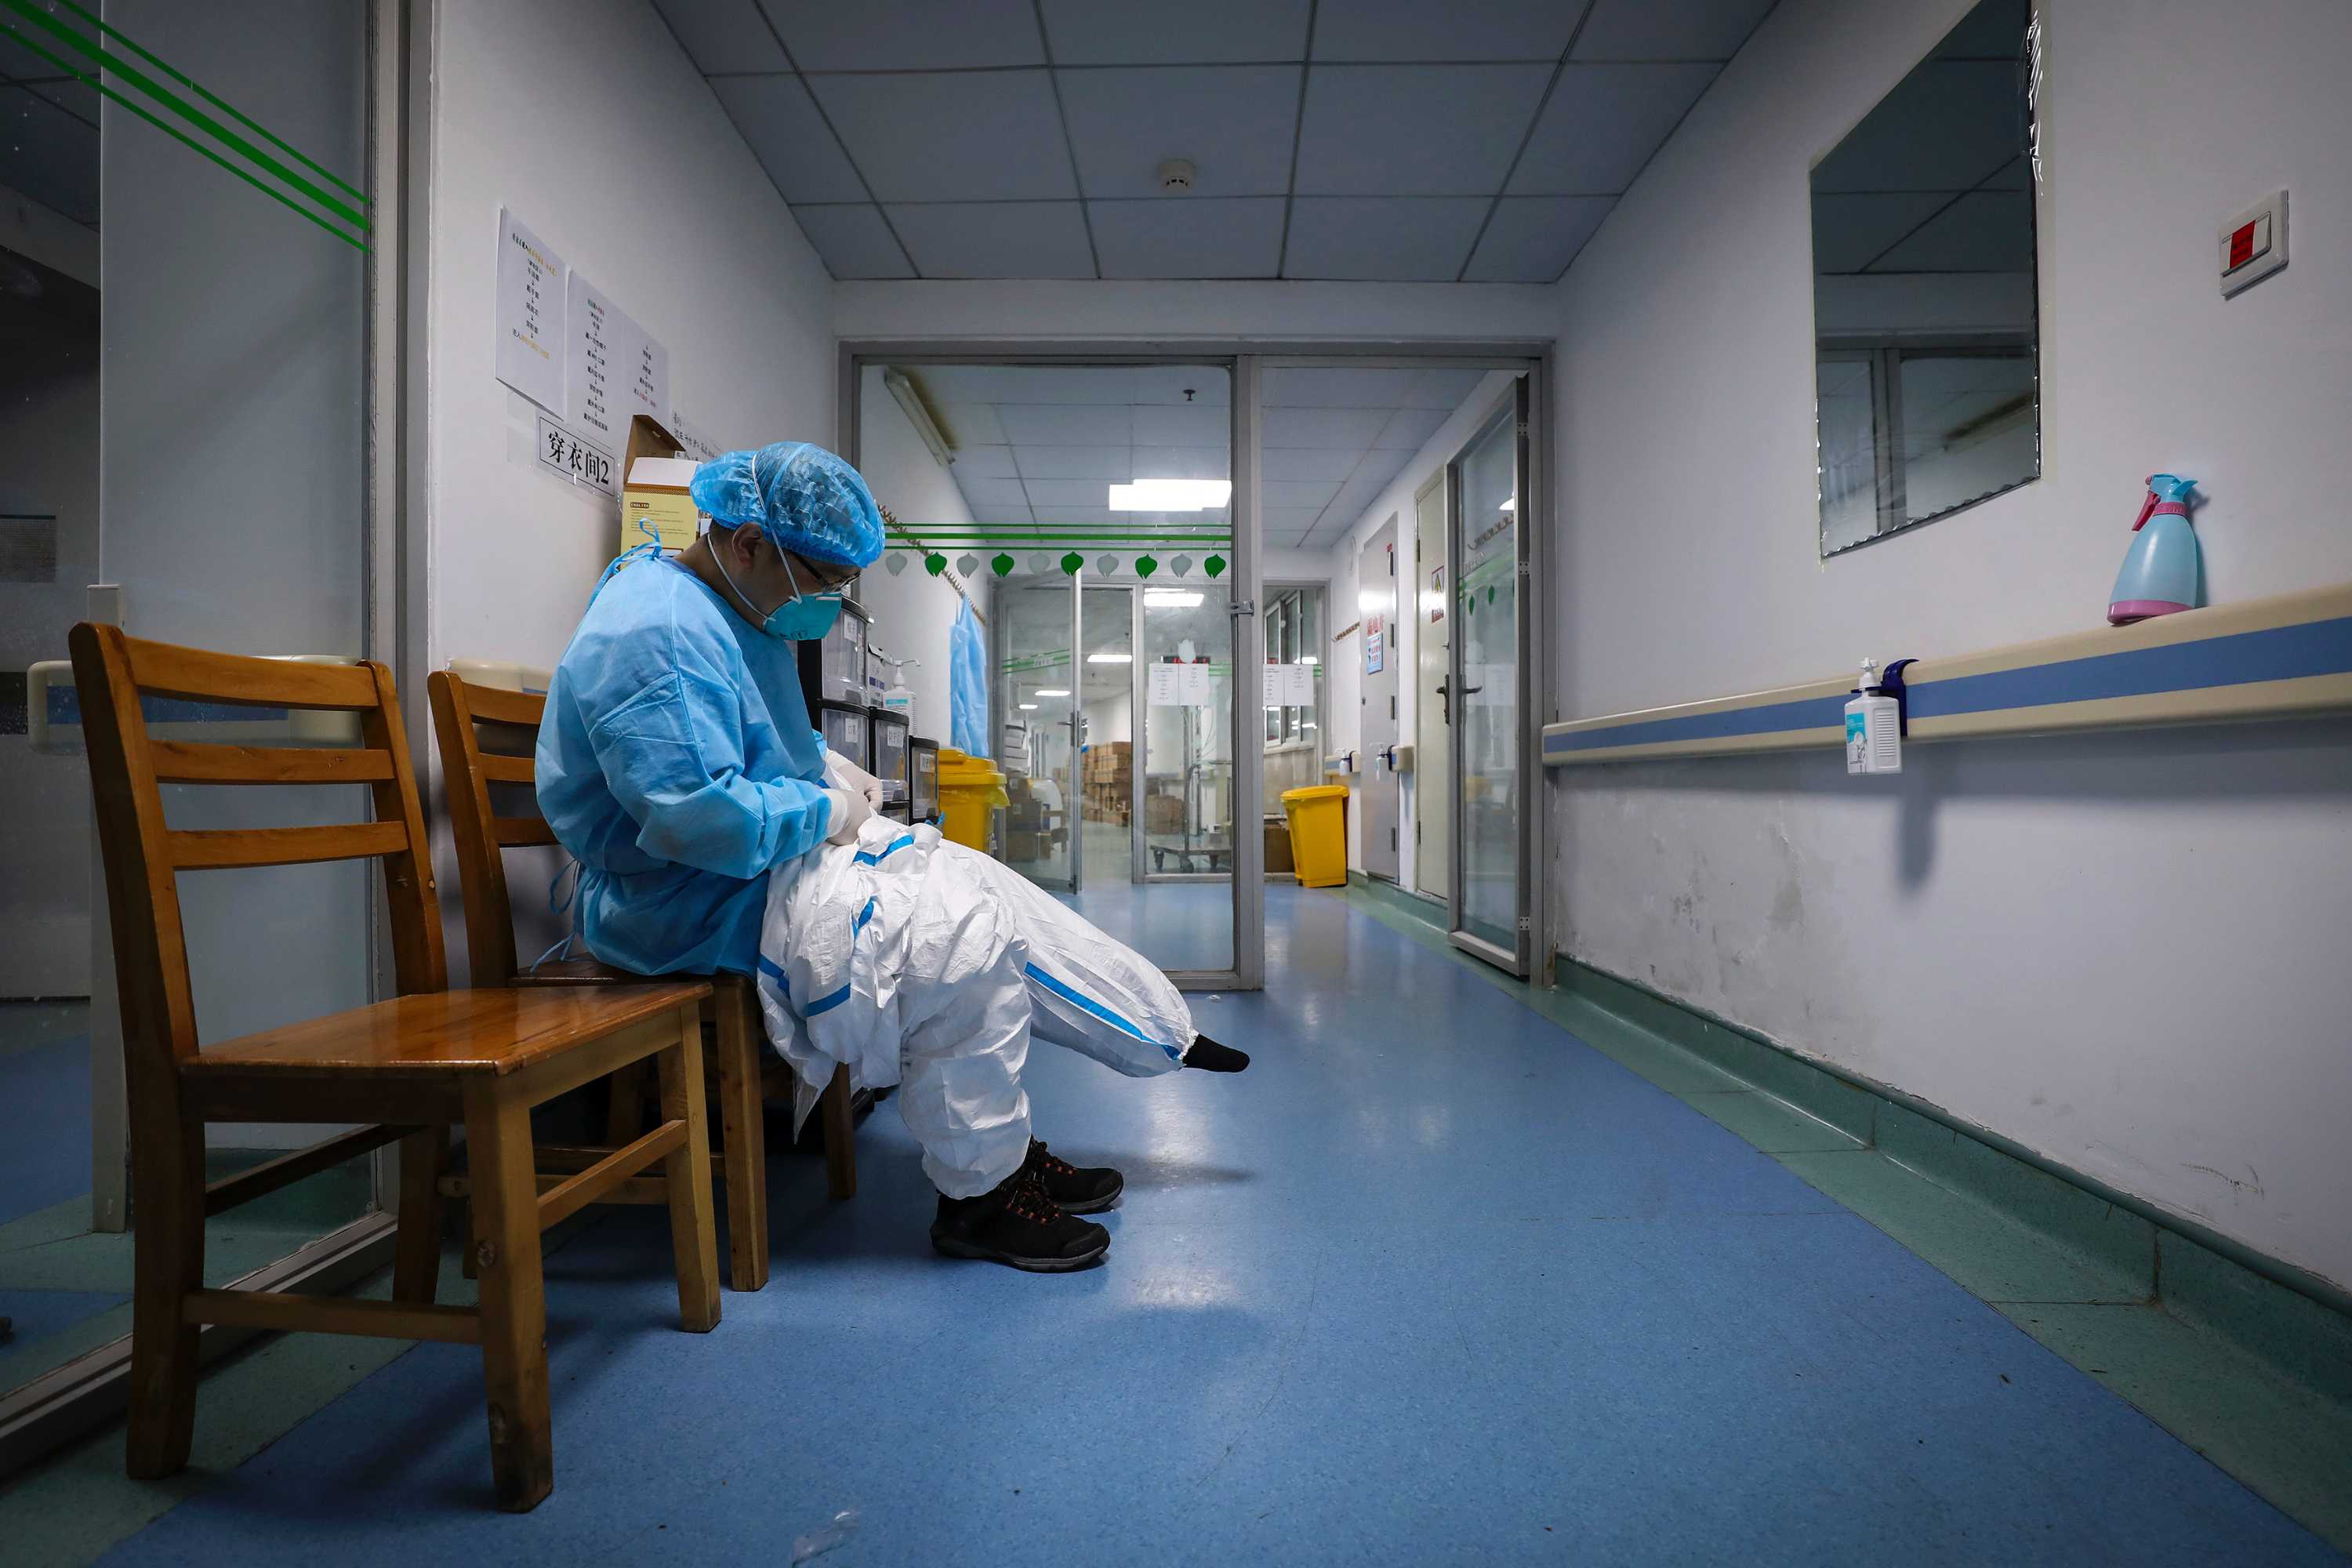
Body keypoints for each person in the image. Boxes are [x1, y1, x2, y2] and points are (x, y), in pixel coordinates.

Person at [537, 441, 1247, 1274]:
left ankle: (1131, 1053)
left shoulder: (737, 611)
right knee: (958, 936)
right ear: (747, 544)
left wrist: (832, 778)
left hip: (765, 870)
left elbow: (771, 746)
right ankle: (980, 1198)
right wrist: (826, 807)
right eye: (826, 580)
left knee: (975, 882)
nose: (833, 603)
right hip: (688, 902)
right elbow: (698, 819)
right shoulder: (652, 625)